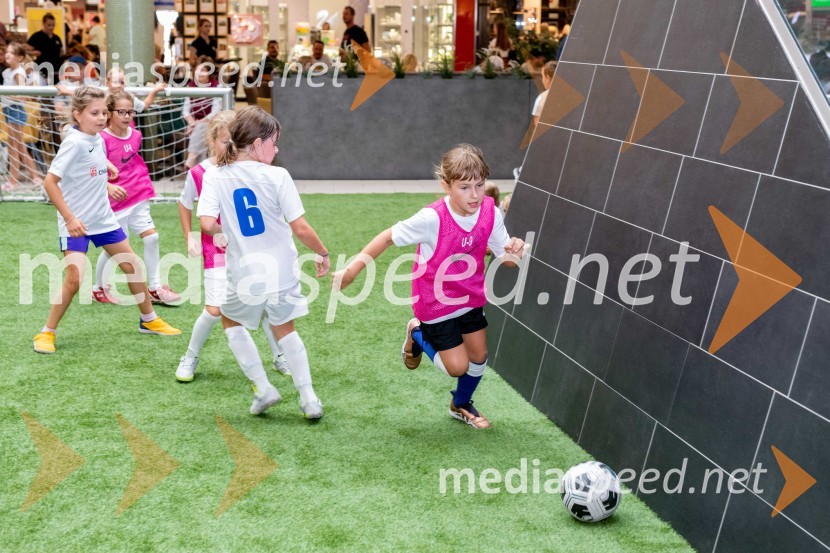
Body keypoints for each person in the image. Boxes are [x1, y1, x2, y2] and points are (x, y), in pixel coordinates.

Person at [333, 144, 527, 429]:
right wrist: (353, 269)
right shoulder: (432, 218)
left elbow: (507, 261)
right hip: (435, 303)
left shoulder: (491, 211)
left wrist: (516, 250)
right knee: (457, 367)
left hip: (470, 296)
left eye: (479, 185)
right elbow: (387, 237)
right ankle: (416, 332)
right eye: (465, 187)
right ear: (446, 185)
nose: (474, 195)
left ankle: (460, 404)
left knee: (479, 357)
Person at [196, 106, 330, 418]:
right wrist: (323, 252)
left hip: (244, 273)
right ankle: (308, 398)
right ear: (257, 144)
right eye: (274, 142)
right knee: (286, 330)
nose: (277, 148)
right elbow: (301, 228)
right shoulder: (278, 176)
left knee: (231, 323)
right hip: (281, 271)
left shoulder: (216, 176)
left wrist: (221, 230)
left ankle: (262, 387)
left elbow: (205, 222)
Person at [33, 86, 181, 354]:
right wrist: (69, 218)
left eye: (104, 112)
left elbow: (94, 162)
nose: (101, 118)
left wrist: (107, 169)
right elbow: (50, 181)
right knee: (75, 279)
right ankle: (46, 332)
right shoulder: (74, 142)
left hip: (103, 218)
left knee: (133, 265)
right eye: (95, 113)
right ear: (78, 115)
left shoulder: (97, 138)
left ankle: (149, 320)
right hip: (76, 222)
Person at [175, 110, 290, 382]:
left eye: (234, 142)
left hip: (247, 250)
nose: (230, 147)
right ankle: (189, 357)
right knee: (215, 310)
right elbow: (184, 203)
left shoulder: (247, 171)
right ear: (212, 140)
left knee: (262, 303)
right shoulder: (200, 173)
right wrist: (188, 235)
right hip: (215, 249)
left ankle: (280, 355)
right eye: (224, 141)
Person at [91, 90, 182, 305]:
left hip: (139, 194)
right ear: (109, 113)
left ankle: (155, 287)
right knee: (116, 244)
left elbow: (133, 163)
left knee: (152, 237)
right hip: (116, 201)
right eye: (121, 111)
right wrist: (108, 186)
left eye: (130, 112)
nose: (126, 116)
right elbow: (91, 171)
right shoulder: (100, 140)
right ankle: (99, 287)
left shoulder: (136, 135)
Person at [2, 43, 40, 192]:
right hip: (8, 110)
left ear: (20, 57)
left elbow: (24, 95)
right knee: (20, 147)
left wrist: (9, 96)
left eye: (11, 53)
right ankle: (36, 177)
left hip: (16, 111)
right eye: (7, 52)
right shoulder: (7, 72)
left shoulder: (18, 72)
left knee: (14, 148)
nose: (7, 54)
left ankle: (13, 181)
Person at [183, 57, 222, 171]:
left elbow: (215, 112)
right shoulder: (190, 86)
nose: (200, 73)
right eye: (198, 69)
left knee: (201, 127)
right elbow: (185, 110)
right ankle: (198, 171)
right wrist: (191, 122)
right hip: (193, 125)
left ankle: (190, 162)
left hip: (211, 123)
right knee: (200, 131)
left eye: (204, 70)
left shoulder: (217, 86)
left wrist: (196, 124)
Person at [27, 13, 63, 84]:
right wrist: (33, 53)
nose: (51, 27)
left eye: (53, 25)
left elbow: (61, 52)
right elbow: (26, 52)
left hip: (56, 71)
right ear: (43, 23)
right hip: (42, 70)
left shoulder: (57, 38)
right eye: (49, 25)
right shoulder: (36, 36)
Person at [532, 61, 557, 127]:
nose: (542, 80)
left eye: (542, 76)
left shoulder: (541, 98)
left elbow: (537, 123)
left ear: (548, 78)